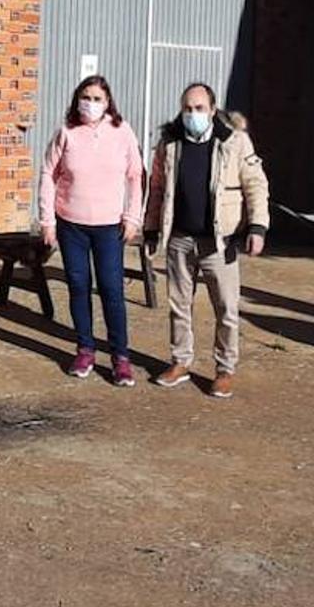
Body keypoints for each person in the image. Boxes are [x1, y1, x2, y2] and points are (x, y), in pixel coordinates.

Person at [143, 83, 269, 399]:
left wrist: (257, 227)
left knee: (226, 308)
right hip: (180, 239)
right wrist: (151, 229)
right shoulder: (170, 143)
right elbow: (157, 189)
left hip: (219, 242)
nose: (193, 114)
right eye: (187, 108)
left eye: (199, 108)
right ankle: (180, 362)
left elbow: (255, 184)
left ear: (212, 110)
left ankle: (225, 369)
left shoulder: (234, 142)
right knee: (178, 305)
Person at [38, 75, 143, 385]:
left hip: (109, 227)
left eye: (98, 99)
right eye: (86, 97)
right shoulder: (66, 132)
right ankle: (85, 349)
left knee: (111, 289)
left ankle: (120, 357)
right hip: (71, 225)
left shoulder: (122, 132)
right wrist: (47, 221)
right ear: (77, 100)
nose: (91, 104)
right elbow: (48, 173)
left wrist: (133, 217)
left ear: (108, 102)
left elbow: (136, 175)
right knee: (78, 286)